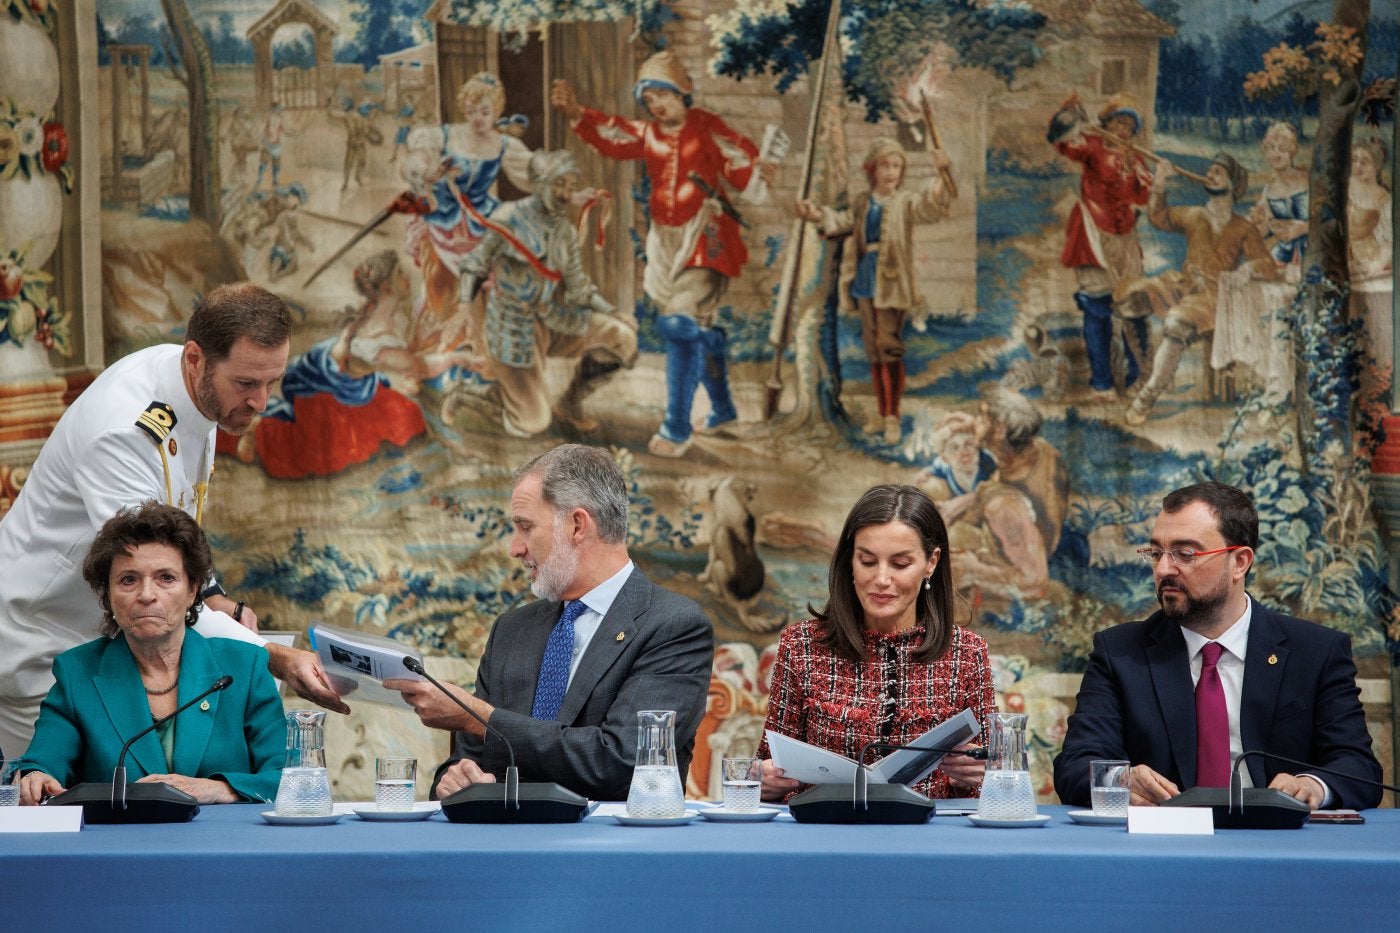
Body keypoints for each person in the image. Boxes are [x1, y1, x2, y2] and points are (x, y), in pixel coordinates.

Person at [0, 282, 347, 757]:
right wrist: (279, 659)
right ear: (195, 359)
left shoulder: (194, 390)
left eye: (272, 382)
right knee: (59, 806)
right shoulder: (124, 434)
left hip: (106, 636)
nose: (261, 402)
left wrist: (216, 596)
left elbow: (177, 528)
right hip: (35, 642)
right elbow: (152, 573)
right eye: (246, 384)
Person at [384, 444, 714, 801]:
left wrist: (481, 719)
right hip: (504, 849)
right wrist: (454, 780)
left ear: (576, 525)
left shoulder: (673, 625)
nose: (515, 548)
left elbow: (625, 763)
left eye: (525, 527)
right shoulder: (510, 631)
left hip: (611, 851)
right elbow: (468, 760)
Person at [1053, 482, 1382, 811]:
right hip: (1164, 845)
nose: (1164, 569)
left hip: (1278, 843)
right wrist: (1119, 781)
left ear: (1239, 562)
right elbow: (1075, 766)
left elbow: (1357, 766)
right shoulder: (1121, 653)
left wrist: (1312, 785)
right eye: (1156, 553)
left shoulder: (1315, 652)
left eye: (1185, 554)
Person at [552, 51, 775, 458]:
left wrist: (758, 171)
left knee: (676, 323)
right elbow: (615, 135)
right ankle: (723, 406)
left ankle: (676, 428)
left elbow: (739, 156)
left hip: (705, 237)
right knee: (692, 329)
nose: (657, 105)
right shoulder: (649, 133)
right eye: (650, 98)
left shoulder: (705, 126)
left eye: (664, 95)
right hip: (665, 242)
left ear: (683, 92)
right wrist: (578, 113)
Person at [16, 502, 285, 805]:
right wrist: (35, 777)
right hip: (117, 848)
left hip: (224, 845)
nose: (146, 595)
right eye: (128, 580)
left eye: (166, 578)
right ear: (108, 594)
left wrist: (219, 790)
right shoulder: (77, 672)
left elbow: (285, 778)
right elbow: (42, 762)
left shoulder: (244, 667)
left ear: (193, 590)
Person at [758, 484, 995, 802]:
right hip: (822, 835)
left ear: (931, 562)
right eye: (868, 561)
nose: (881, 579)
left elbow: (996, 778)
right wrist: (763, 779)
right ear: (850, 563)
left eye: (900, 564)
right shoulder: (801, 645)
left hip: (929, 839)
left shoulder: (967, 654)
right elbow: (766, 767)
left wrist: (973, 777)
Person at [451, 149, 637, 437]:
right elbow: (475, 264)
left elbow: (579, 288)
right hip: (513, 329)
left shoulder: (564, 230)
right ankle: (478, 396)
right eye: (558, 185)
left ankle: (570, 402)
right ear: (538, 184)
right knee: (533, 423)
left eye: (570, 187)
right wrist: (464, 306)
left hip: (554, 318)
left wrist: (612, 313)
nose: (565, 194)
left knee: (622, 338)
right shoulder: (509, 217)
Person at [797, 138, 954, 444]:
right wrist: (816, 215)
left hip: (892, 283)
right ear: (872, 170)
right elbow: (841, 222)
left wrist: (942, 176)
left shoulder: (905, 201)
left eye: (896, 166)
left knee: (889, 348)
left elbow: (931, 207)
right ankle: (882, 414)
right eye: (884, 165)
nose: (891, 172)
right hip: (864, 281)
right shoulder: (862, 202)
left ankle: (892, 415)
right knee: (873, 350)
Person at [1122, 155, 1277, 425]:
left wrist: (1248, 269)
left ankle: (1147, 396)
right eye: (1210, 171)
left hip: (1215, 295)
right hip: (1183, 285)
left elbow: (1267, 264)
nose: (1210, 174)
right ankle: (1140, 371)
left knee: (1177, 323)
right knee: (1131, 298)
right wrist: (1160, 180)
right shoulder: (1194, 214)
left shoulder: (1243, 227)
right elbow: (1158, 217)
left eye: (1219, 172)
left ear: (1233, 184)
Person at [404, 73, 532, 356]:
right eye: (471, 112)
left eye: (485, 112)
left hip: (481, 222)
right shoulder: (444, 136)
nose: (478, 118)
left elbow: (531, 175)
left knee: (487, 285)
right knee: (439, 284)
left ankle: (479, 350)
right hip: (442, 222)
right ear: (464, 110)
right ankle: (428, 355)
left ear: (496, 111)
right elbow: (414, 163)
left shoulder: (503, 145)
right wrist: (429, 173)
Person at [1048, 93, 1154, 399]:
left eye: (1129, 125)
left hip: (1124, 240)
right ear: (1106, 123)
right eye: (1118, 122)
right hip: (1094, 235)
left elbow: (1143, 197)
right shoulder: (1092, 146)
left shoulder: (1135, 157)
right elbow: (1062, 144)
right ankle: (1102, 382)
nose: (1123, 130)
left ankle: (1139, 378)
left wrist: (1140, 175)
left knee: (1134, 307)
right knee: (1098, 308)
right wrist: (1067, 116)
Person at [946, 386, 1068, 601]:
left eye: (982, 417)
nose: (975, 422)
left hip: (1015, 560)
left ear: (1000, 430)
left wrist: (972, 568)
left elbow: (1035, 580)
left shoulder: (1004, 506)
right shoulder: (1041, 451)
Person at [1252, 121, 1309, 275]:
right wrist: (1258, 221)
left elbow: (1328, 219)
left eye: (1282, 149)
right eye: (1271, 148)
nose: (1275, 154)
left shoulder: (1308, 181)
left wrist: (1302, 228)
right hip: (1284, 253)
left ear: (1292, 151)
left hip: (1315, 252)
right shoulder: (1268, 191)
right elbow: (1265, 231)